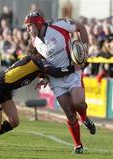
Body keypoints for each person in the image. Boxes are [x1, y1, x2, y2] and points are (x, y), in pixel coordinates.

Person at [24, 11, 96, 154]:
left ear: (38, 23)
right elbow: (42, 63)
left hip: (72, 72)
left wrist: (85, 51)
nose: (28, 30)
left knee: (78, 103)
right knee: (69, 113)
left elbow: (81, 27)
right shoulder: (34, 42)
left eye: (30, 26)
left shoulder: (58, 25)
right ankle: (78, 145)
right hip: (56, 80)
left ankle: (85, 118)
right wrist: (44, 77)